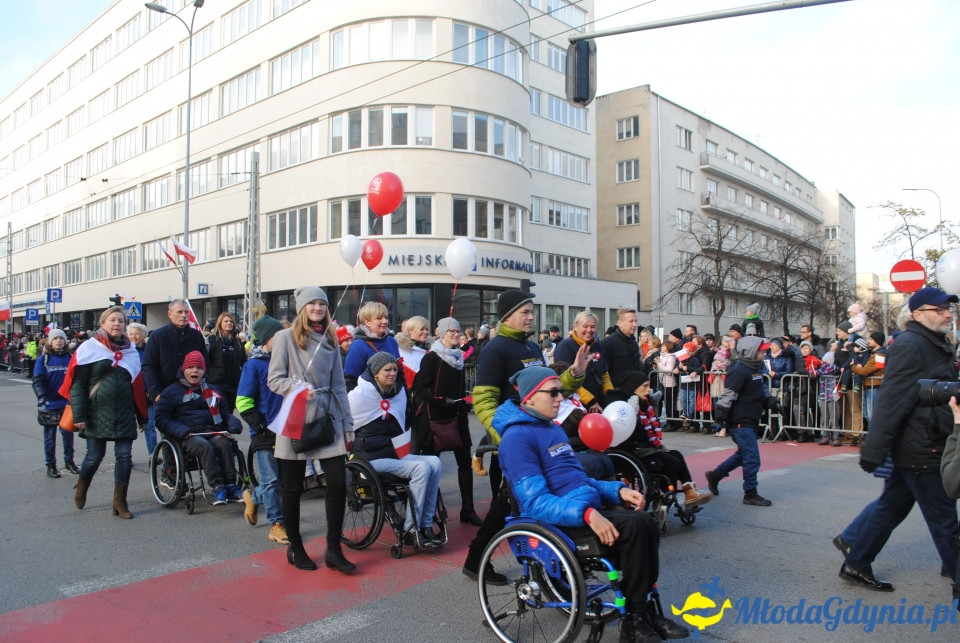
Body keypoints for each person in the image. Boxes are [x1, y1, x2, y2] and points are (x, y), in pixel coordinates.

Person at [494, 366, 689, 642]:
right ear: (530, 398)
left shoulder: (553, 430)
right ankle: (633, 621)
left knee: (645, 521)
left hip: (580, 507)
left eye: (560, 392)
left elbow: (580, 480)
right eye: (553, 392)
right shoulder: (516, 439)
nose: (560, 398)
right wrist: (586, 514)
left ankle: (644, 612)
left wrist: (618, 491)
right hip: (557, 522)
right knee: (635, 528)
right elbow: (535, 502)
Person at [462, 289, 590, 583]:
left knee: (509, 502)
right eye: (525, 312)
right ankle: (544, 573)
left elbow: (548, 391)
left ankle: (482, 561)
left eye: (532, 311)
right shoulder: (496, 350)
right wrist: (509, 438)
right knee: (510, 503)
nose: (531, 316)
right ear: (507, 316)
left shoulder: (532, 349)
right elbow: (483, 403)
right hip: (516, 443)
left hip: (538, 439)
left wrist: (575, 373)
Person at [841, 287, 959, 593]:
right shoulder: (910, 345)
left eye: (949, 309)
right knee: (945, 522)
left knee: (891, 508)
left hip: (928, 441)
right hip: (922, 446)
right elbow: (892, 400)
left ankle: (856, 562)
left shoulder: (934, 343)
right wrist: (874, 449)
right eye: (940, 309)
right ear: (918, 314)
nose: (948, 314)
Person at [267, 286, 355, 572]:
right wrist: (296, 388)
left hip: (328, 417)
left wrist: (348, 424)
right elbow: (274, 379)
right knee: (292, 488)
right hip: (296, 416)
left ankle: (333, 548)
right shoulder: (284, 338)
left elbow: (340, 387)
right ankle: (296, 546)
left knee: (339, 483)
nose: (318, 308)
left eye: (322, 303)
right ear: (302, 308)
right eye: (312, 303)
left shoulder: (330, 339)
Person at [351, 352, 443, 549]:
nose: (392, 373)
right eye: (387, 370)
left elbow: (405, 423)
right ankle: (411, 528)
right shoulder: (358, 397)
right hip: (369, 459)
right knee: (421, 469)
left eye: (395, 369)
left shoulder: (398, 394)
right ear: (375, 373)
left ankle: (425, 524)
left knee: (434, 462)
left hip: (393, 454)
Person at [64, 306, 147, 519]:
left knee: (124, 457)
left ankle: (120, 501)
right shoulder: (89, 348)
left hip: (124, 413)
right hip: (96, 413)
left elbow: (136, 386)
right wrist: (80, 415)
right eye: (113, 320)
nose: (117, 324)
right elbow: (78, 384)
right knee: (94, 457)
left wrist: (142, 416)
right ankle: (82, 487)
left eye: (121, 320)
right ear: (103, 323)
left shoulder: (131, 352)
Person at [411, 317, 482, 526]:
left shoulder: (459, 357)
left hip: (458, 417)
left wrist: (464, 402)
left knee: (465, 465)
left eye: (458, 331)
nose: (455, 334)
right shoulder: (431, 358)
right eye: (450, 331)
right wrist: (438, 399)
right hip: (434, 420)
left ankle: (468, 510)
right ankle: (431, 510)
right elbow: (419, 389)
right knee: (432, 468)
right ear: (441, 333)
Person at [608, 371, 712, 508]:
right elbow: (629, 432)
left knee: (677, 455)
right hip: (633, 450)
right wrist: (634, 412)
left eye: (649, 386)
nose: (648, 390)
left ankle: (689, 491)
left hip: (646, 447)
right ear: (634, 387)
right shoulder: (626, 407)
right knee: (671, 462)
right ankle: (665, 497)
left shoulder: (644, 404)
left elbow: (651, 429)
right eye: (644, 386)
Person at [155, 351, 244, 505]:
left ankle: (231, 484)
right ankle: (218, 486)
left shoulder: (214, 391)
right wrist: (182, 431)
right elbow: (161, 420)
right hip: (186, 435)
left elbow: (225, 414)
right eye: (190, 367)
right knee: (204, 446)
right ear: (183, 370)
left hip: (211, 430)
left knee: (224, 443)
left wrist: (233, 423)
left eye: (199, 368)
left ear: (204, 371)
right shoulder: (170, 392)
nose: (195, 371)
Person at [704, 336, 779, 506]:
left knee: (743, 455)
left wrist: (770, 400)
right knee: (751, 457)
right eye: (762, 350)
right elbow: (728, 395)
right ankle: (750, 493)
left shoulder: (755, 367)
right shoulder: (739, 370)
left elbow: (761, 387)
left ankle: (716, 475)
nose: (764, 353)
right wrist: (720, 419)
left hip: (749, 419)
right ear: (751, 351)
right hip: (740, 421)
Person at [236, 316, 288, 544]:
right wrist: (260, 426)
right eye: (279, 336)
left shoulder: (287, 362)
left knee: (282, 480)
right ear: (268, 339)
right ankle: (276, 524)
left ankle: (253, 497)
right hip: (265, 431)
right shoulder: (254, 365)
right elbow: (243, 402)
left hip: (287, 429)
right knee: (271, 480)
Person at [141, 299, 208, 404]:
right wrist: (157, 393)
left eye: (186, 312)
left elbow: (205, 363)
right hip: (165, 393)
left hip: (192, 394)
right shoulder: (158, 336)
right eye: (179, 312)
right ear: (170, 314)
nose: (184, 315)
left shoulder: (196, 336)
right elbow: (148, 366)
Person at [33, 329, 77, 478]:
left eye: (61, 338)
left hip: (67, 404)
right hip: (50, 403)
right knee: (50, 437)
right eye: (55, 338)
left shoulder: (71, 358)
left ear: (65, 341)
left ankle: (69, 461)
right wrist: (41, 396)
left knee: (68, 435)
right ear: (50, 342)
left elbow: (76, 378)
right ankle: (51, 465)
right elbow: (38, 380)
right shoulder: (44, 359)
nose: (59, 341)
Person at [554, 311, 612, 413]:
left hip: (600, 403)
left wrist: (610, 394)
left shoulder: (597, 345)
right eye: (585, 326)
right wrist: (590, 401)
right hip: (578, 405)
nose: (589, 330)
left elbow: (604, 374)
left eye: (593, 326)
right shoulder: (565, 347)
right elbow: (563, 379)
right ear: (575, 327)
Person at [343, 301, 401, 392]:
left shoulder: (392, 341)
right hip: (368, 400)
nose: (385, 321)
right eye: (379, 318)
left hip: (393, 399)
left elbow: (400, 375)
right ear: (367, 322)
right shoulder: (358, 346)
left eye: (386, 317)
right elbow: (350, 381)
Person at [205, 312, 247, 415]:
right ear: (220, 323)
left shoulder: (238, 343)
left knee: (229, 413)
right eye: (226, 321)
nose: (229, 323)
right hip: (216, 383)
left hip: (233, 384)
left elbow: (244, 362)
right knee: (219, 413)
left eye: (231, 321)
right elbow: (207, 361)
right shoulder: (212, 340)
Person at [127, 323, 157, 457]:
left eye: (137, 333)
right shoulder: (124, 351)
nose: (133, 336)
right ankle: (126, 456)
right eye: (131, 334)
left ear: (144, 336)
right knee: (128, 427)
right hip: (129, 394)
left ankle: (153, 455)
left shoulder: (150, 351)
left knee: (149, 425)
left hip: (146, 394)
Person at [601, 307, 642, 388]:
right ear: (619, 323)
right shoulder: (608, 343)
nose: (635, 324)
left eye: (636, 321)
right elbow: (603, 372)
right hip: (616, 392)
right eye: (631, 321)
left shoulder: (634, 343)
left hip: (633, 390)